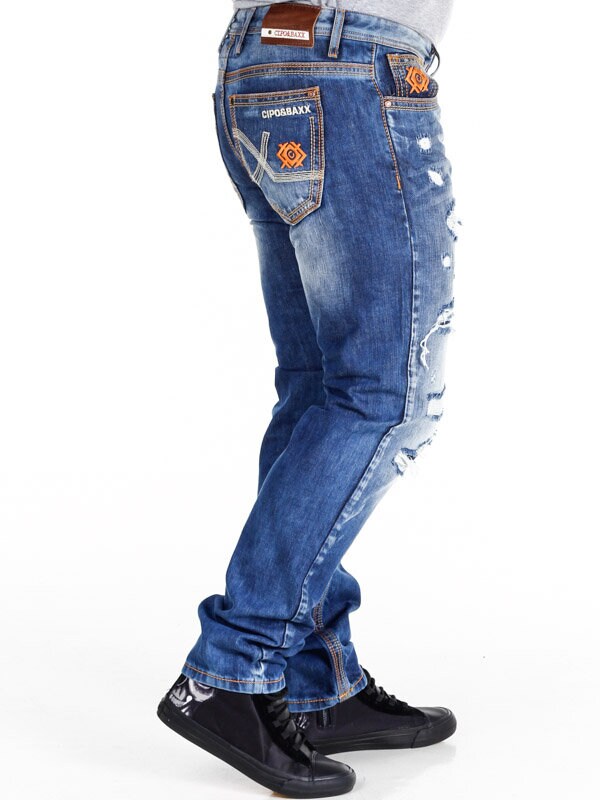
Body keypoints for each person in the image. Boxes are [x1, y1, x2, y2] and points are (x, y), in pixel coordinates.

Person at [157, 1, 460, 796]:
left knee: (323, 388)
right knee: (386, 398)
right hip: (353, 64)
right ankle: (233, 666)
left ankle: (312, 682)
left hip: (262, 60)